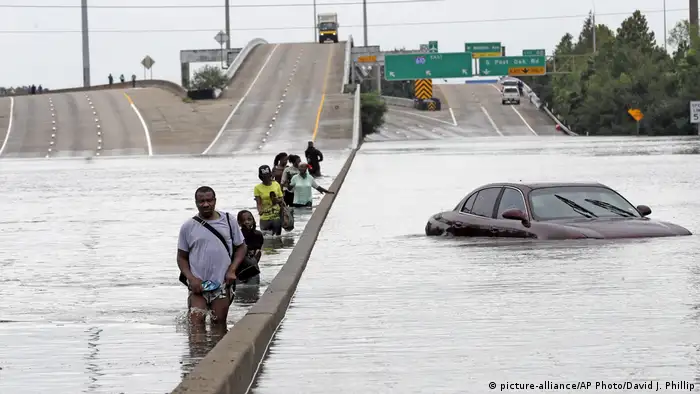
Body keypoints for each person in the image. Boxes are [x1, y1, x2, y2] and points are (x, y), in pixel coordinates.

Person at [177, 186, 248, 328]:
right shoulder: (188, 227)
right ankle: (198, 350)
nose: (206, 204)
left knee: (219, 325)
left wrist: (232, 270)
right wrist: (191, 278)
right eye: (201, 201)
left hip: (222, 284)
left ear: (215, 201)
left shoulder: (228, 221)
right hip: (198, 286)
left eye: (209, 200)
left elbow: (241, 246)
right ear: (196, 203)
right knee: (196, 326)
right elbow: (181, 257)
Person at [254, 165, 284, 235]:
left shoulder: (276, 184)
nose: (266, 178)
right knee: (266, 239)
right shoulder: (257, 188)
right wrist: (259, 210)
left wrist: (277, 200)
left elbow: (282, 199)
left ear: (270, 175)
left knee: (277, 237)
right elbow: (258, 203)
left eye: (268, 176)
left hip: (276, 216)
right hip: (264, 217)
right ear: (261, 177)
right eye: (264, 177)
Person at [236, 210, 264, 286]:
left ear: (253, 220)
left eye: (249, 219)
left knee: (254, 288)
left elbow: (258, 251)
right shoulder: (238, 236)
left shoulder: (258, 235)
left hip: (253, 267)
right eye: (243, 220)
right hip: (240, 268)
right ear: (239, 223)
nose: (247, 222)